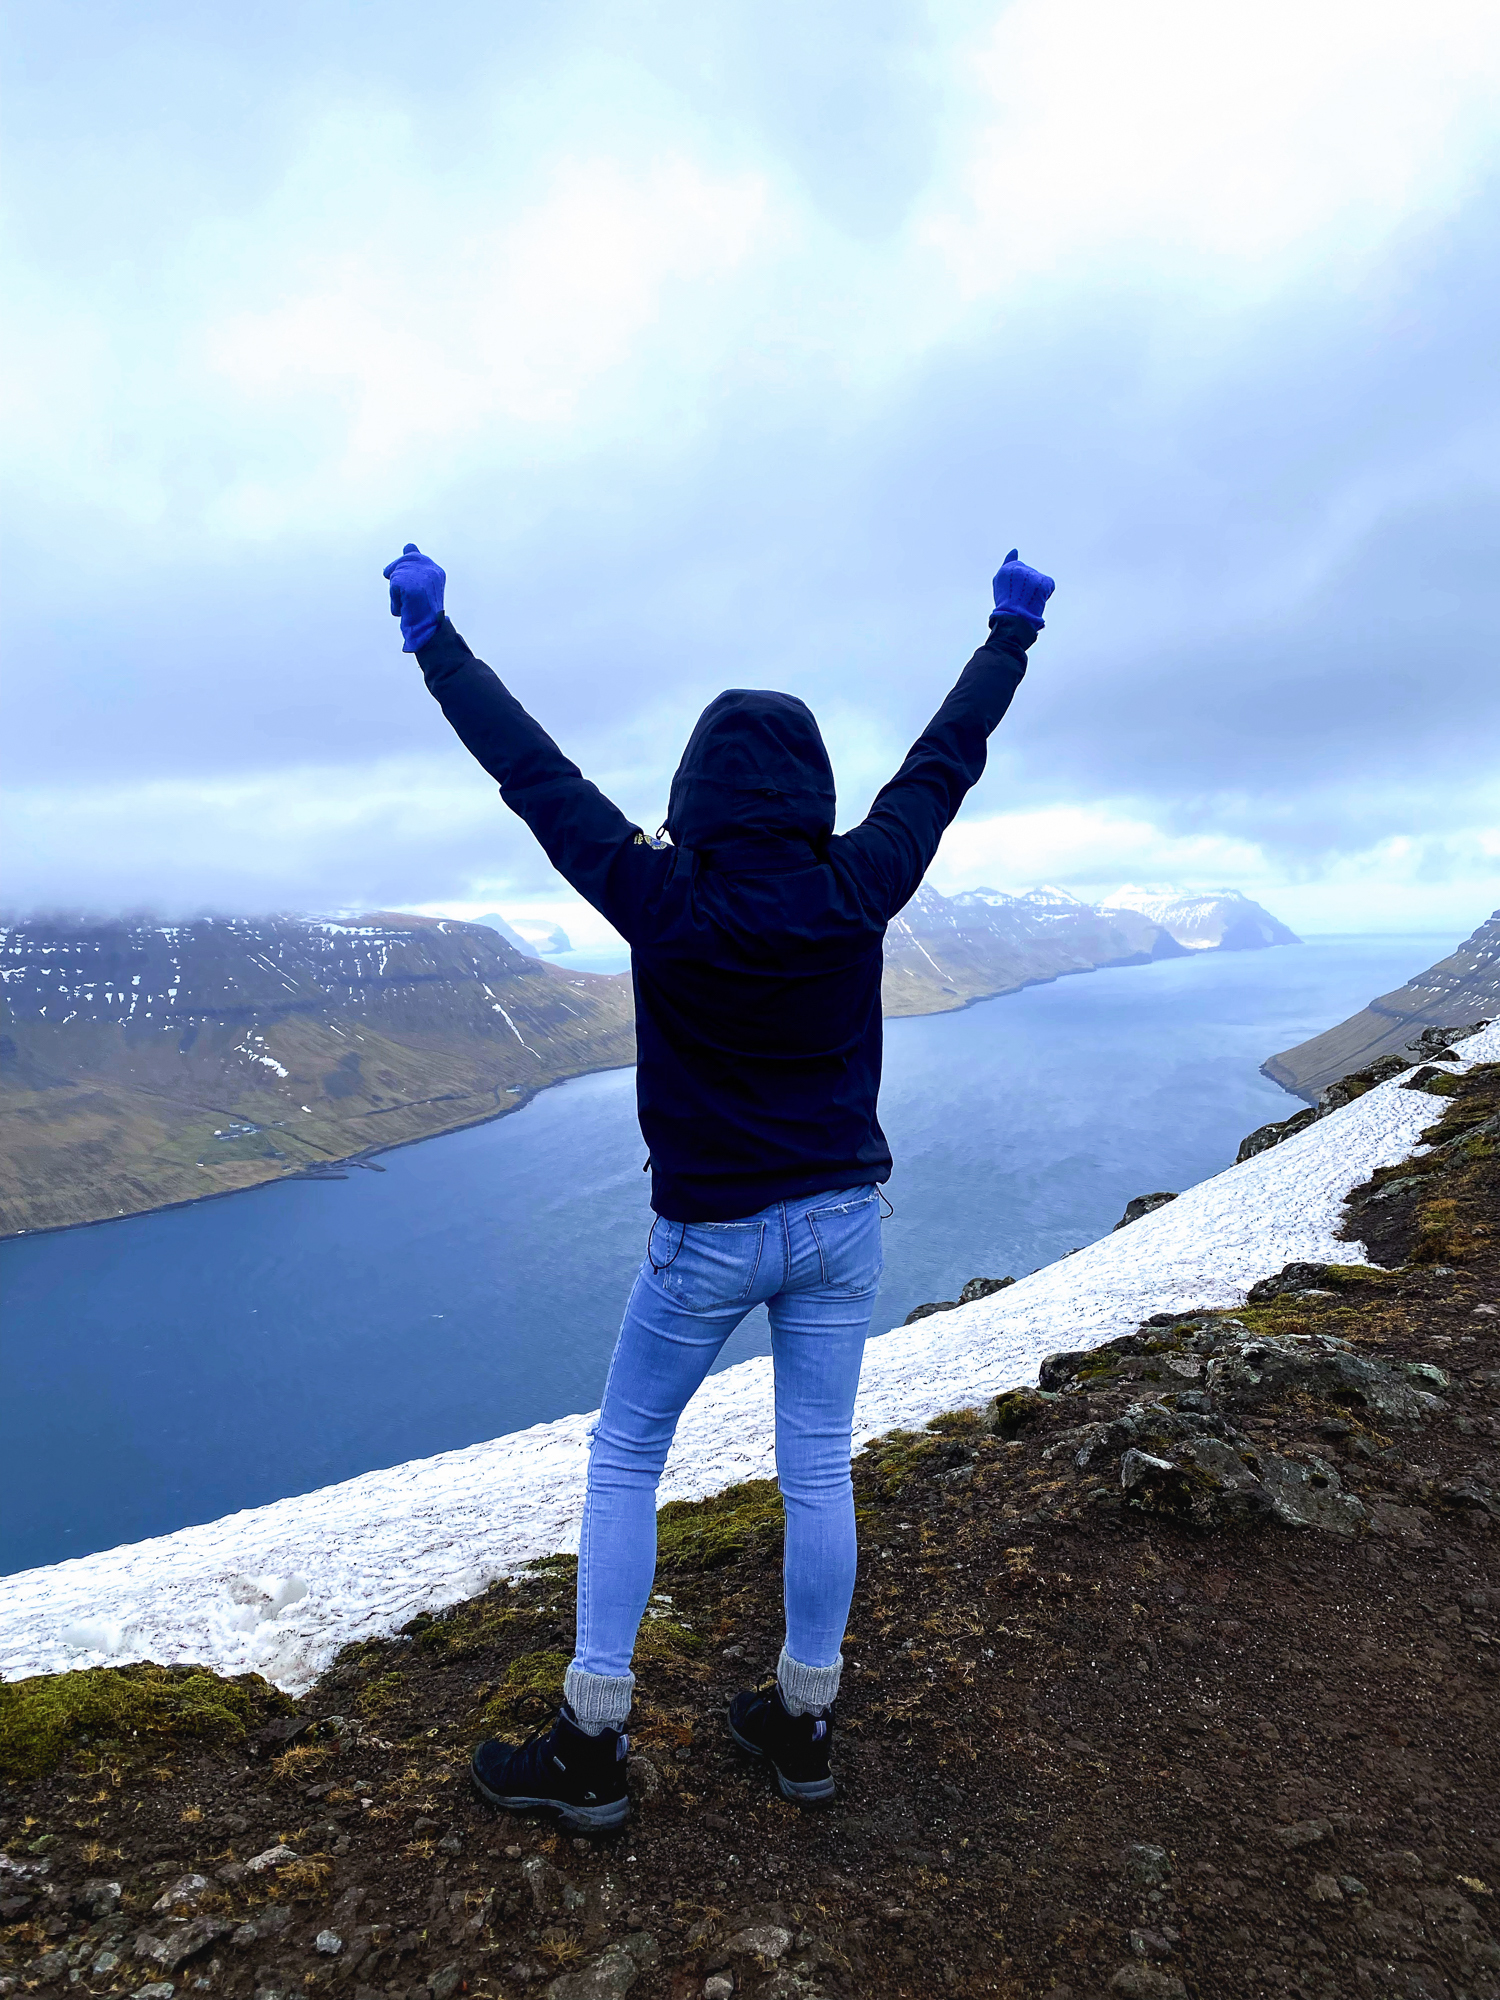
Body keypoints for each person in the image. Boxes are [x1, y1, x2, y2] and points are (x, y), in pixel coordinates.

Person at [381, 541, 1054, 1830]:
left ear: (691, 789)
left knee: (628, 1457)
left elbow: (533, 773)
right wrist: (1008, 638)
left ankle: (592, 1747)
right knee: (817, 1471)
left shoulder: (658, 894)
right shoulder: (857, 882)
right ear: (810, 790)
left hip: (706, 1241)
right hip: (844, 1224)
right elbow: (943, 763)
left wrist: (437, 646)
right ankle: (803, 1723)